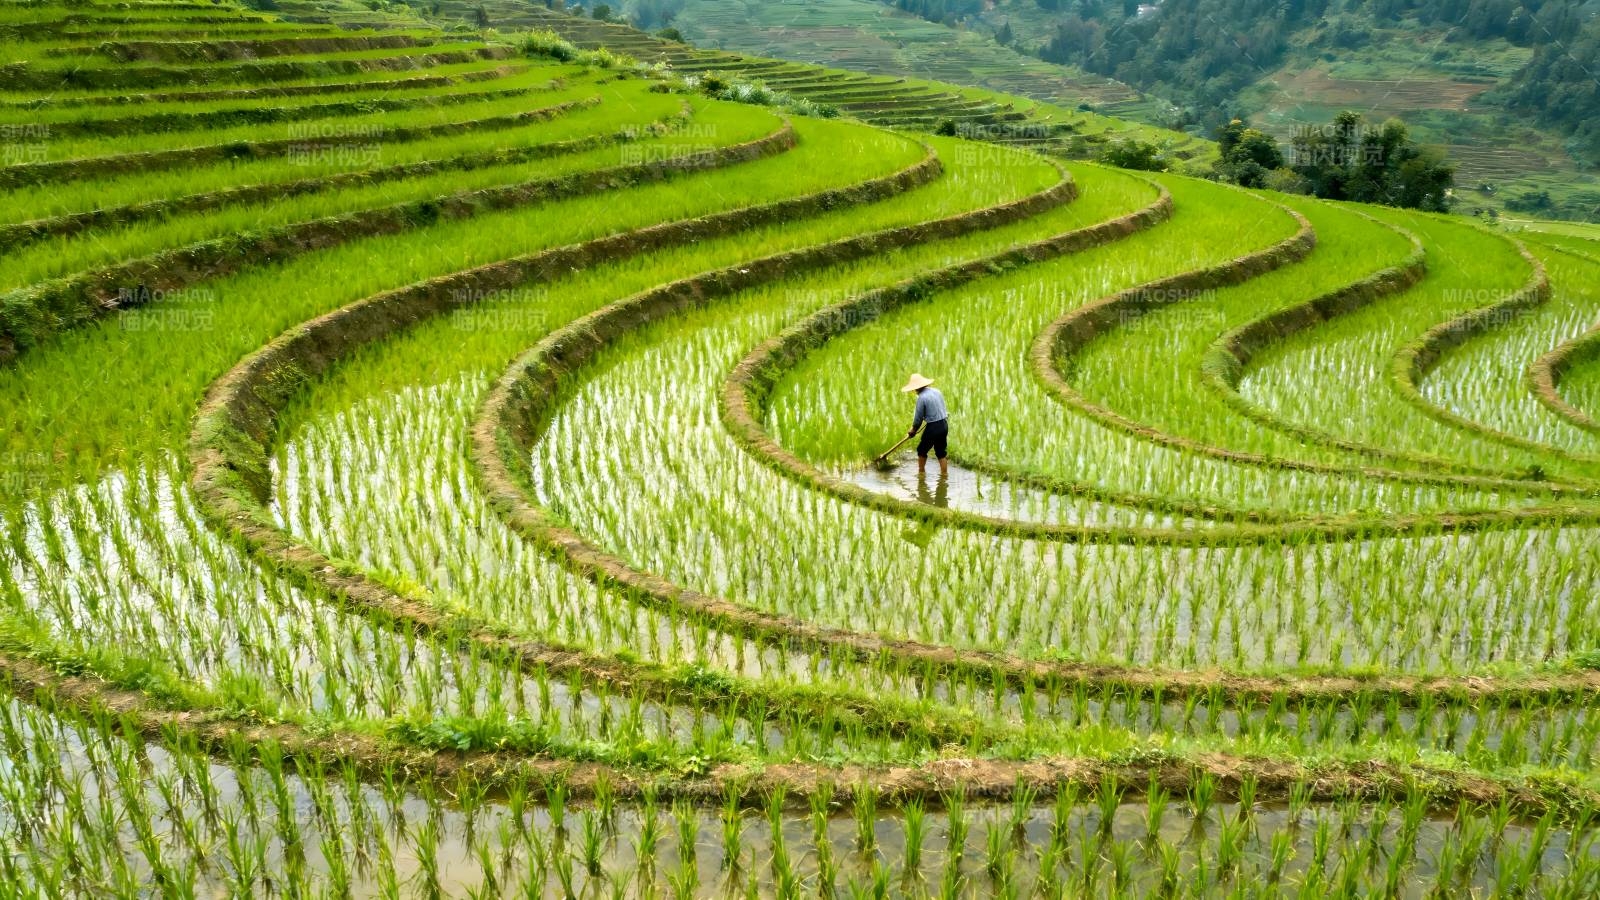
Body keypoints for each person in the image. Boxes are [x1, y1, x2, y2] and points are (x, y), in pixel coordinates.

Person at [901, 373, 948, 477]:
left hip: (933, 427)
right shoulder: (937, 391)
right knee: (941, 452)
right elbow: (943, 408)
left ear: (915, 388)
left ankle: (921, 473)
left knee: (922, 450)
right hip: (944, 424)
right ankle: (944, 475)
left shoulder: (921, 398)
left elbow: (918, 418)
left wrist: (913, 430)